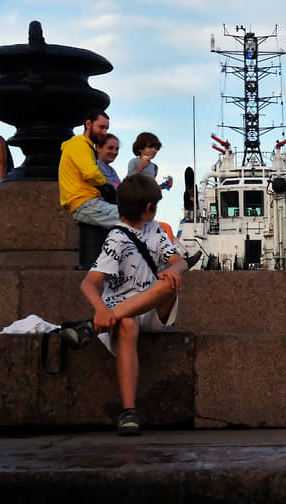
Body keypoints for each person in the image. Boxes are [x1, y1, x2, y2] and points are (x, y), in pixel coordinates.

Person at [78, 173, 186, 435]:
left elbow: (179, 261)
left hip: (148, 310)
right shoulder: (117, 238)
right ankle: (129, 412)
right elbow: (88, 283)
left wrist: (175, 271)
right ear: (149, 208)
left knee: (167, 284)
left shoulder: (155, 229)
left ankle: (94, 326)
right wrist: (102, 309)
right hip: (123, 311)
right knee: (127, 324)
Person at [59, 109, 119, 227]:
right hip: (86, 203)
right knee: (133, 219)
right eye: (101, 127)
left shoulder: (86, 146)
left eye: (106, 128)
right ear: (88, 124)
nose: (104, 132)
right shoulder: (79, 144)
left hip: (89, 203)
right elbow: (91, 174)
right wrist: (107, 186)